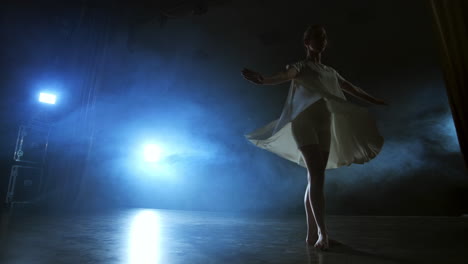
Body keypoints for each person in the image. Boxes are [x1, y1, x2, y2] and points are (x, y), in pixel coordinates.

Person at [241, 24, 387, 250]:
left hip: (324, 124)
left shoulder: (330, 72)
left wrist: (375, 100)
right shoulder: (300, 66)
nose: (322, 41)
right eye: (318, 37)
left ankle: (311, 236)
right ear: (307, 42)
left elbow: (353, 89)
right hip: (304, 124)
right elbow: (283, 76)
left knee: (315, 178)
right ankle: (323, 234)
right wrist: (262, 79)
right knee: (316, 175)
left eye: (324, 38)